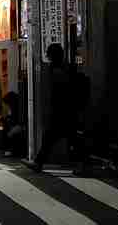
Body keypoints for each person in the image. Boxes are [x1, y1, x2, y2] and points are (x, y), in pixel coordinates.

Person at [28, 44, 85, 174]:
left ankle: (39, 163)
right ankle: (80, 165)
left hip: (62, 110)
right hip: (68, 110)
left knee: (55, 138)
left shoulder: (58, 70)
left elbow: (59, 92)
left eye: (49, 54)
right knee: (69, 138)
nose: (47, 56)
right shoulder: (68, 68)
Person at [0, 91, 26, 158]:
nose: (7, 106)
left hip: (20, 125)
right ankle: (9, 150)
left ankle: (10, 150)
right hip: (18, 125)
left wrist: (3, 119)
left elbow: (14, 119)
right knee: (6, 130)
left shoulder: (16, 108)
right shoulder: (15, 106)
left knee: (9, 133)